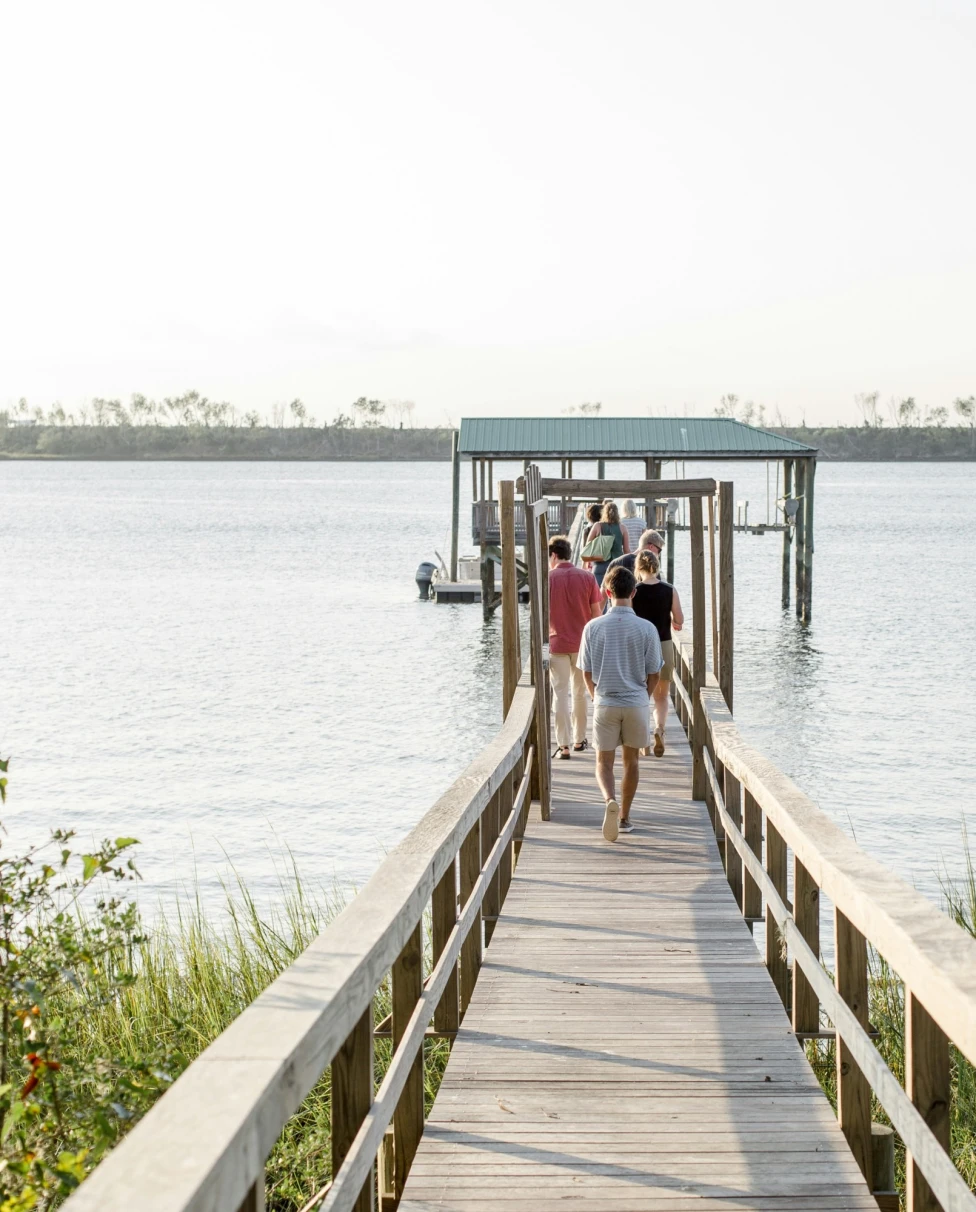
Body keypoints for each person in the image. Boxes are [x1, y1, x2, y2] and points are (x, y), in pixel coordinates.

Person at [579, 565, 662, 840]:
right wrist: (643, 697)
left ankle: (608, 802)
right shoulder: (647, 628)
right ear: (634, 592)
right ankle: (624, 817)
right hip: (636, 702)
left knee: (603, 762)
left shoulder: (592, 628)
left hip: (605, 702)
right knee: (631, 763)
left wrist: (595, 696)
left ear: (606, 591)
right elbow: (655, 673)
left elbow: (586, 671)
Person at [548, 534, 603, 759]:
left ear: (553, 555)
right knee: (579, 693)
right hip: (582, 645)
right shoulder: (588, 578)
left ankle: (563, 746)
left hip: (556, 643)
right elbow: (597, 614)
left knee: (559, 693)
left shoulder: (547, 578)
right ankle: (580, 740)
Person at [633, 549, 684, 757]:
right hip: (663, 645)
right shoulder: (669, 590)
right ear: (657, 566)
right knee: (661, 697)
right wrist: (672, 621)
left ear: (638, 568)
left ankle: (643, 740)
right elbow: (679, 620)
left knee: (640, 695)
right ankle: (660, 731)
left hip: (639, 647)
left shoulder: (634, 590)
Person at [584, 500, 630, 594]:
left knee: (599, 596)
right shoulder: (623, 528)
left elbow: (587, 545)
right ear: (617, 513)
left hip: (599, 565)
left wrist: (586, 562)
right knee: (615, 594)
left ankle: (602, 609)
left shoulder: (597, 526)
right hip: (617, 565)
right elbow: (626, 550)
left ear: (604, 512)